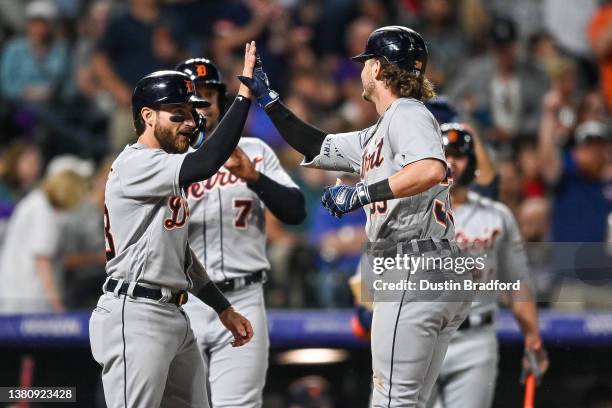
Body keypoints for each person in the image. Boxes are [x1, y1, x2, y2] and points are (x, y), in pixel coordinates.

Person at [240, 26, 473, 407]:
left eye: (366, 63)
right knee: (410, 401)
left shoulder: (407, 112)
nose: (361, 71)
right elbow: (317, 144)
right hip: (430, 265)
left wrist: (362, 192)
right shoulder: (382, 129)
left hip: (413, 266)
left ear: (379, 69)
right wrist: (268, 100)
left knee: (390, 398)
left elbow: (430, 169)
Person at [89, 42, 258, 408]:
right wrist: (245, 94)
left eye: (191, 114)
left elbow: (180, 256)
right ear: (148, 116)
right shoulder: (137, 163)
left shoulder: (164, 169)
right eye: (177, 114)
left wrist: (222, 308)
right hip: (134, 311)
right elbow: (205, 163)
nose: (190, 122)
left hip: (173, 314)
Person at [174, 57, 306, 408]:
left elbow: (295, 211)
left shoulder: (256, 152)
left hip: (243, 296)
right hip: (183, 302)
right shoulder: (166, 161)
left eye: (208, 94)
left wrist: (255, 179)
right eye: (193, 96)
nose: (202, 104)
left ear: (221, 100)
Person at [427, 123, 549, 408]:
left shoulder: (496, 216)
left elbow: (517, 283)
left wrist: (532, 337)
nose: (452, 162)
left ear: (472, 163)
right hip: (420, 336)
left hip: (475, 339)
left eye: (459, 155)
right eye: (445, 153)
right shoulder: (409, 210)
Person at [0, 168, 88, 313]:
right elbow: (42, 259)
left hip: (13, 292)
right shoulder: (44, 211)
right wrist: (57, 303)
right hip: (29, 298)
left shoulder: (35, 200)